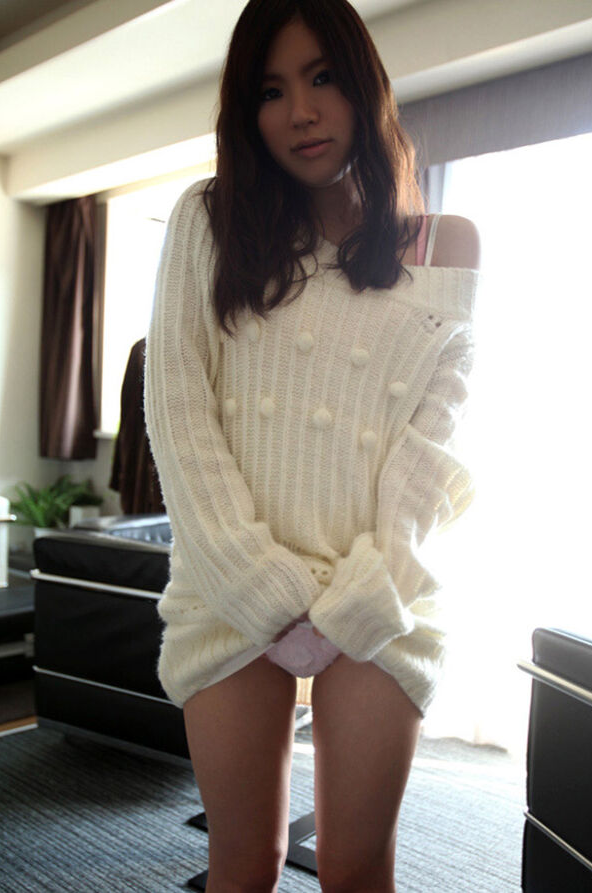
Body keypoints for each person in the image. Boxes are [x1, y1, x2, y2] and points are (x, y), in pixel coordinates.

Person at [144, 1, 480, 890]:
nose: (301, 111)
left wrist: (366, 593)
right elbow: (178, 413)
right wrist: (261, 587)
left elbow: (433, 447)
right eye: (272, 90)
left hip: (380, 585)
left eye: (323, 77)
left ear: (364, 87)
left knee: (356, 868)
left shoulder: (445, 245)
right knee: (242, 863)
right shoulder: (209, 221)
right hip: (230, 583)